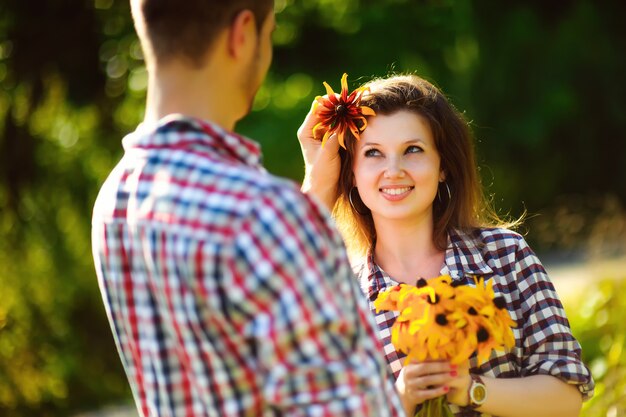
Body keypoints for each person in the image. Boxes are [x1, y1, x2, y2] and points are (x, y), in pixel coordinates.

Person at [91, 1, 405, 416]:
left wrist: (313, 192)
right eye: (269, 32)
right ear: (242, 33)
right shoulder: (264, 214)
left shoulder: (117, 197)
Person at [298, 74, 594, 417]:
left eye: (413, 150)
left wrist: (470, 389)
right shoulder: (337, 296)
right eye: (374, 153)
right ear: (351, 173)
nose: (393, 170)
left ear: (443, 166)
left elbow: (567, 397)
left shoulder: (505, 255)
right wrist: (402, 399)